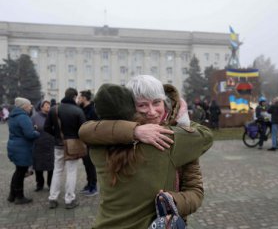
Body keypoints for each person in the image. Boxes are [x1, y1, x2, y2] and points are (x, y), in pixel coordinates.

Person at [79, 83, 213, 228]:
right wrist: (183, 120)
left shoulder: (97, 145)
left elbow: (85, 131)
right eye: (142, 105)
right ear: (132, 107)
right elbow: (206, 136)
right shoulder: (167, 141)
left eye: (156, 102)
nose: (151, 111)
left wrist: (133, 130)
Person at [44, 88, 86, 209]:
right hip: (73, 145)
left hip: (58, 145)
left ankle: (52, 198)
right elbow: (83, 130)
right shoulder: (78, 111)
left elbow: (47, 128)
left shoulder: (53, 109)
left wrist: (57, 136)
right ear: (74, 97)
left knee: (57, 170)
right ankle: (69, 199)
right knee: (71, 171)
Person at [7, 97, 40, 204]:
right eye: (29, 105)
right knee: (20, 173)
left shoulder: (13, 116)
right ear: (24, 106)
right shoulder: (23, 117)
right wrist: (36, 131)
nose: (31, 107)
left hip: (15, 146)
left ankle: (12, 195)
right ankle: (19, 197)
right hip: (22, 148)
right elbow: (29, 134)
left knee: (18, 171)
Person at [77, 90, 98, 196]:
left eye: (80, 97)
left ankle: (93, 186)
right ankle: (89, 183)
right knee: (86, 164)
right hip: (82, 141)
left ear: (85, 98)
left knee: (90, 164)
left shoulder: (93, 110)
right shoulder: (80, 109)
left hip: (91, 141)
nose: (78, 99)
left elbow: (97, 126)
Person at [31, 100, 55, 191]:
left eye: (49, 105)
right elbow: (31, 130)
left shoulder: (53, 116)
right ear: (41, 107)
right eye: (46, 105)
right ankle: (39, 184)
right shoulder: (35, 117)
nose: (48, 106)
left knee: (51, 166)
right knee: (38, 166)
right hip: (39, 145)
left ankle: (50, 184)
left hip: (51, 145)